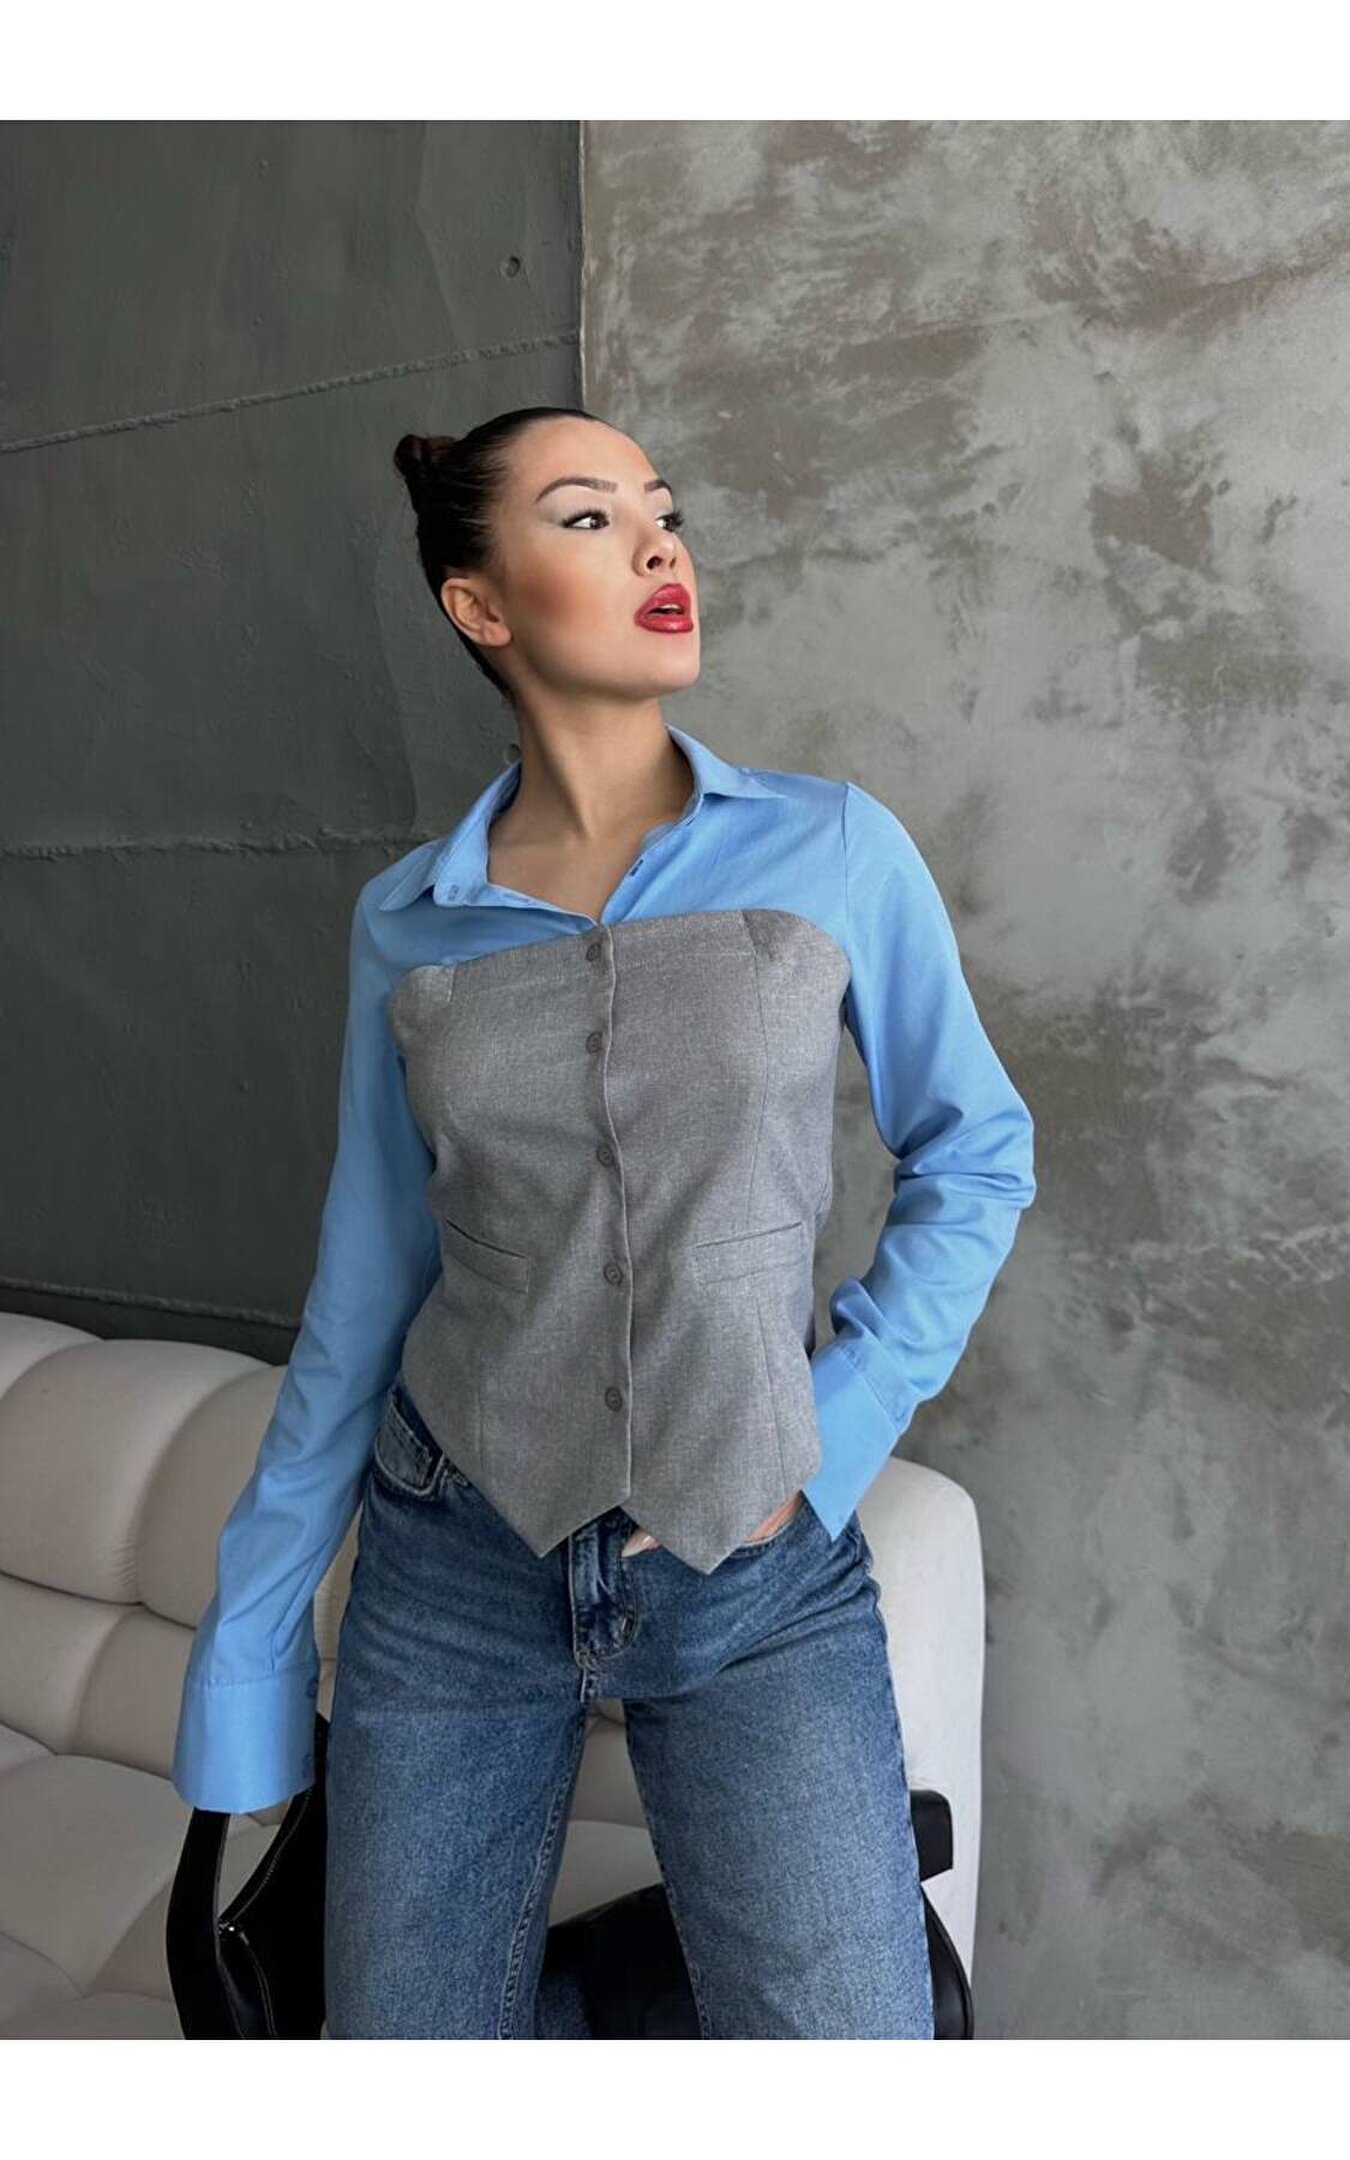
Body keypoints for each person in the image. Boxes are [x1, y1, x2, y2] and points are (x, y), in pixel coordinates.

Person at [170, 404, 1038, 2038]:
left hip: (754, 1576)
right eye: (587, 518)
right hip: (451, 1561)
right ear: (478, 604)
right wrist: (248, 1656)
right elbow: (367, 1287)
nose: (658, 546)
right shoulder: (405, 921)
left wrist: (832, 1427)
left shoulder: (832, 848)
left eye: (664, 510)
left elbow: (977, 1153)